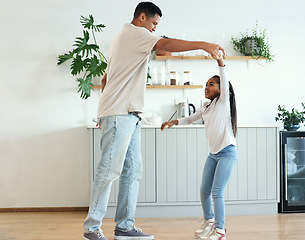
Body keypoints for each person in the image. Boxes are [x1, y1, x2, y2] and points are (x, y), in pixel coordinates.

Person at [83, 2, 225, 240]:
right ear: (142, 17)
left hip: (127, 113)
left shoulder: (123, 38)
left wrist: (103, 109)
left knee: (132, 171)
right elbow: (164, 44)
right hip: (120, 113)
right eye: (154, 24)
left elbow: (107, 78)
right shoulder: (134, 33)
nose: (153, 30)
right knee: (109, 170)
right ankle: (91, 229)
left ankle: (124, 227)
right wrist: (204, 44)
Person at [161, 55, 237, 240]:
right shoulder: (207, 106)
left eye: (212, 84)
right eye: (206, 84)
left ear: (221, 89)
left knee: (217, 192)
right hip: (213, 155)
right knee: (204, 191)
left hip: (227, 152)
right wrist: (174, 122)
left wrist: (220, 63)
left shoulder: (223, 103)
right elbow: (190, 119)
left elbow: (224, 80)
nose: (207, 87)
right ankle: (209, 222)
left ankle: (220, 231)